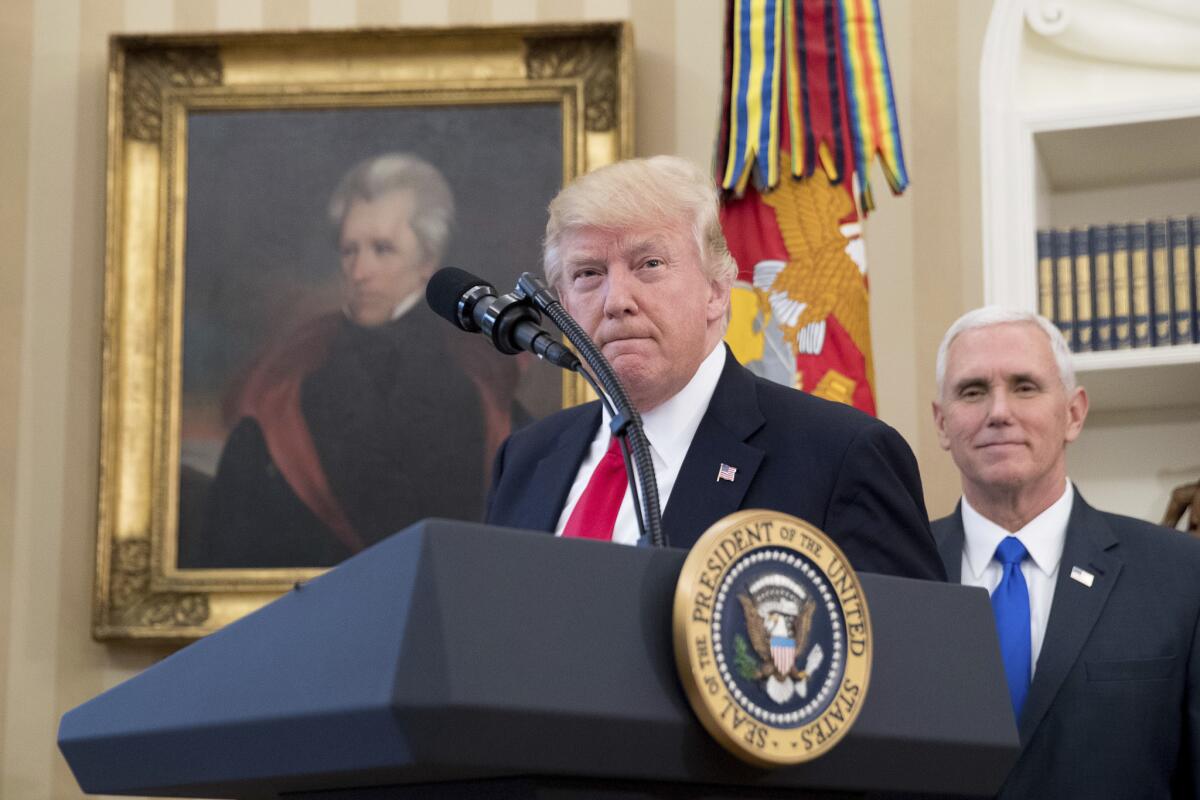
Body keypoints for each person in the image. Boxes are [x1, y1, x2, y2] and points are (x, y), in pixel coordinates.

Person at [485, 156, 944, 580]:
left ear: (717, 290)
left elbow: (912, 655)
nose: (617, 301)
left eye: (649, 264)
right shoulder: (526, 459)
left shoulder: (839, 456)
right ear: (562, 304)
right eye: (588, 274)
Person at [930, 306, 1200, 798]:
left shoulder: (1183, 576)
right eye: (972, 391)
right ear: (942, 422)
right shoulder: (890, 572)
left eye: (1025, 386)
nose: (998, 411)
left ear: (1073, 413)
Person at [187, 153, 485, 568]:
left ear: (427, 263)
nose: (360, 271)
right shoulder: (298, 364)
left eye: (382, 250)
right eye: (349, 251)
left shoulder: (464, 378)